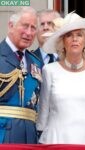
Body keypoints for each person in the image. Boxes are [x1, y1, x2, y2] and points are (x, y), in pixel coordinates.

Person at [36, 12, 85, 145]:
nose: (74, 39)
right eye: (69, 35)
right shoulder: (49, 70)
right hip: (57, 140)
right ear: (62, 42)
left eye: (79, 35)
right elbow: (43, 115)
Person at [0, 7, 42, 143]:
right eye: (25, 26)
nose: (29, 33)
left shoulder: (36, 62)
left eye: (33, 28)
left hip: (29, 137)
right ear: (11, 26)